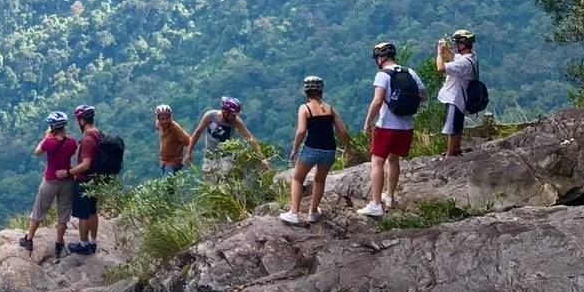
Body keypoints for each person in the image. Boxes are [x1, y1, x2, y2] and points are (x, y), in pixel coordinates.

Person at [357, 42, 427, 218]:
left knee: (377, 162)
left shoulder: (383, 75)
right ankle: (389, 197)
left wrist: (368, 121)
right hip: (407, 127)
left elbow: (378, 100)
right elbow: (424, 95)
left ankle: (375, 204)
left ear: (380, 58)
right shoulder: (409, 72)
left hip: (387, 126)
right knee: (394, 160)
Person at [280, 76, 355, 225]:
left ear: (306, 91)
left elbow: (301, 131)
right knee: (320, 180)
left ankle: (294, 213)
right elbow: (343, 132)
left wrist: (295, 149)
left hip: (311, 149)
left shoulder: (305, 108)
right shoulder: (330, 109)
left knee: (297, 178)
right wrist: (348, 148)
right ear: (321, 90)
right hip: (329, 150)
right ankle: (313, 212)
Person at [21, 110, 77, 257]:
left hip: (51, 181)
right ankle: (59, 243)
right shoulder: (71, 142)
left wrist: (46, 137)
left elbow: (37, 152)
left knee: (39, 211)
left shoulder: (49, 142)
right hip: (67, 181)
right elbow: (71, 152)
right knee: (63, 214)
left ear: (52, 127)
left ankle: (29, 239)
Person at [183, 96, 267, 176]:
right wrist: (188, 153)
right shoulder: (210, 116)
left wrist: (262, 158)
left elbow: (250, 138)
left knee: (224, 181)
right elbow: (197, 133)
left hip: (226, 157)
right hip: (209, 157)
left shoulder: (236, 122)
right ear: (225, 111)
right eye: (233, 115)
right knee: (210, 185)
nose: (234, 117)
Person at [62, 104, 104, 254]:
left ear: (82, 120)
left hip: (84, 180)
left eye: (78, 119)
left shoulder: (87, 139)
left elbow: (85, 165)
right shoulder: (98, 134)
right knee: (92, 211)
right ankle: (93, 242)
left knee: (83, 214)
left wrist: (69, 172)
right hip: (95, 179)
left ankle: (83, 244)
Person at [436, 29, 477, 157]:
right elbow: (453, 56)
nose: (455, 45)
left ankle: (450, 154)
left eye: (458, 43)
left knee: (452, 128)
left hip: (456, 98)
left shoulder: (463, 63)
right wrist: (444, 49)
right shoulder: (471, 56)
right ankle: (456, 150)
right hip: (460, 98)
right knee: (456, 126)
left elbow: (440, 68)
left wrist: (439, 53)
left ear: (463, 44)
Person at [155, 104, 191, 176]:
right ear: (159, 119)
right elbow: (157, 127)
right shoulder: (158, 124)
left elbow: (189, 140)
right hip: (163, 160)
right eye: (162, 119)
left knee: (166, 184)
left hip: (174, 161)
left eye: (167, 118)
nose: (165, 121)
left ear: (170, 117)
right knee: (170, 185)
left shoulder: (176, 128)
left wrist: (186, 152)